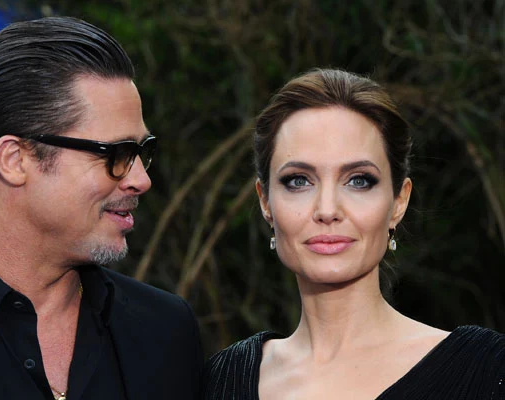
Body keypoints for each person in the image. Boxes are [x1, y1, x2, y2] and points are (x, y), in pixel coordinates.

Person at [0, 17, 202, 400]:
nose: (141, 180)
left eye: (142, 151)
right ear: (15, 160)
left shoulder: (165, 331)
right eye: (115, 153)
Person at [202, 69, 505, 399]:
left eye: (358, 181)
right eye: (298, 181)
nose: (327, 209)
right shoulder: (220, 381)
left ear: (398, 202)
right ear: (265, 202)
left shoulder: (486, 372)